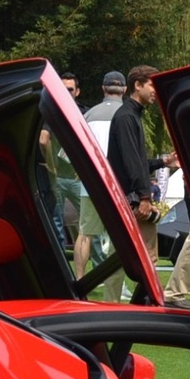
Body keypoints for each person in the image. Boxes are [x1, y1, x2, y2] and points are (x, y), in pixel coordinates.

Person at [105, 65, 179, 301]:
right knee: (146, 254)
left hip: (129, 195)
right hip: (132, 198)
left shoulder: (130, 115)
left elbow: (135, 160)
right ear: (138, 85)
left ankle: (120, 302)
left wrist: (162, 162)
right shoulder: (127, 116)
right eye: (152, 85)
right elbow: (130, 162)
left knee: (124, 254)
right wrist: (145, 197)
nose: (156, 91)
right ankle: (146, 303)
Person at [75, 72, 128, 284]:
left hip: (91, 183)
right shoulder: (128, 114)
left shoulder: (88, 115)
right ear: (124, 89)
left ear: (103, 88)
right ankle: (116, 283)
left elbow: (74, 153)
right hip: (118, 185)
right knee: (120, 237)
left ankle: (80, 280)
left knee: (85, 234)